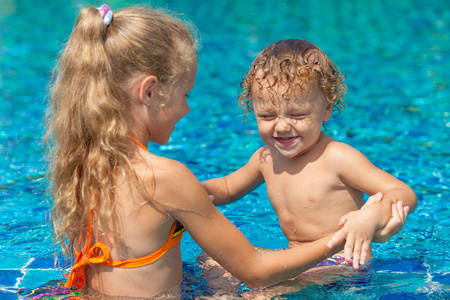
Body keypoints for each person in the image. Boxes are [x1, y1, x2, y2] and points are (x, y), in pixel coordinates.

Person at [44, 6, 371, 299]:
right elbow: (256, 271)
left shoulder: (87, 162)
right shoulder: (164, 177)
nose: (187, 109)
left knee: (209, 260)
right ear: (149, 91)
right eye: (185, 94)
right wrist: (344, 237)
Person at [202, 39, 417, 271]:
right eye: (266, 116)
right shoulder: (265, 158)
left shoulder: (336, 157)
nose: (282, 126)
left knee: (264, 293)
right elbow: (226, 187)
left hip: (339, 262)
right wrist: (190, 191)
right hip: (295, 257)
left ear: (327, 109)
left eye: (297, 114)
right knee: (209, 262)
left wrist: (372, 215)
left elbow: (404, 193)